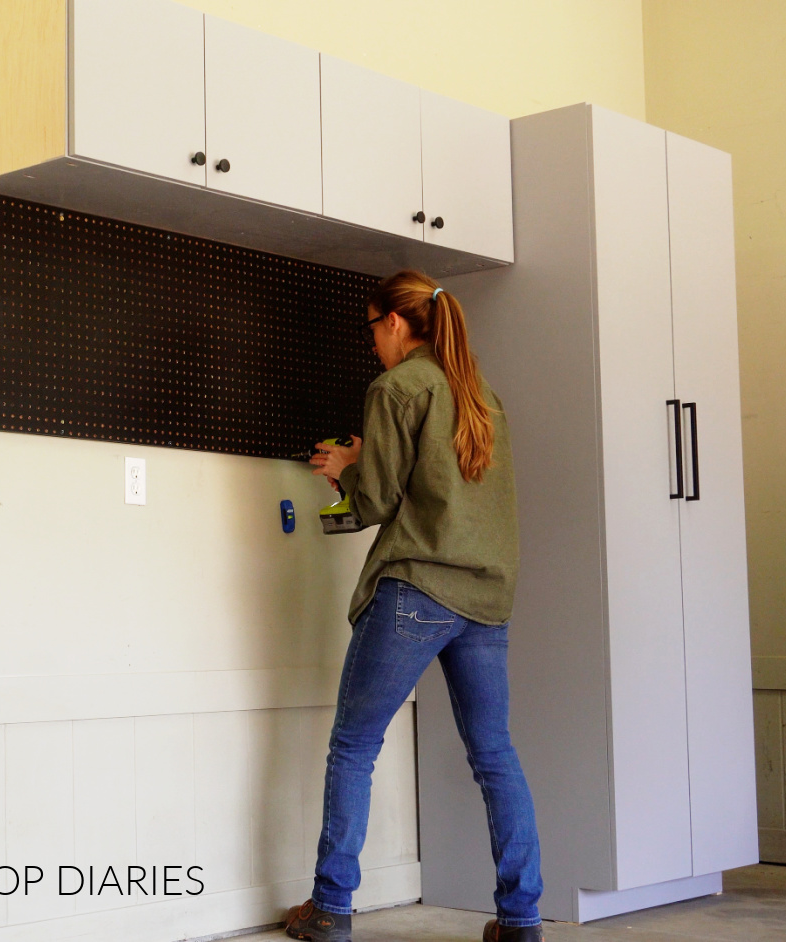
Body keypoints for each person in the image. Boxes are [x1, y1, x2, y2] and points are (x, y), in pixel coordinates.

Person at [284, 271, 543, 942]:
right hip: (486, 598)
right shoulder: (481, 395)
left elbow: (375, 502)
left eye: (372, 328)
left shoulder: (395, 388)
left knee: (354, 746)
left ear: (395, 323)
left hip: (417, 590)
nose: (372, 343)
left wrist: (345, 468)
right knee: (495, 755)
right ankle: (520, 921)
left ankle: (330, 910)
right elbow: (448, 490)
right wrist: (371, 456)